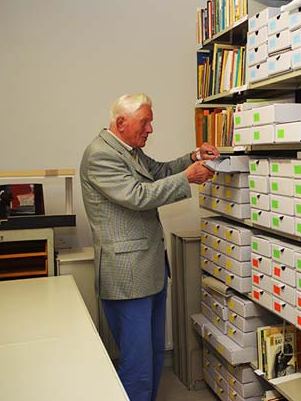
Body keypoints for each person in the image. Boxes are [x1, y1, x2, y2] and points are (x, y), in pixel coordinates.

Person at [80, 93, 217, 401]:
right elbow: (138, 195)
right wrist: (188, 178)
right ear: (121, 123)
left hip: (149, 270)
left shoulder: (129, 150)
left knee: (153, 355)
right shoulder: (100, 155)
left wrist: (193, 158)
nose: (151, 129)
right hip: (127, 278)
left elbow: (159, 173)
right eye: (145, 122)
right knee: (137, 364)